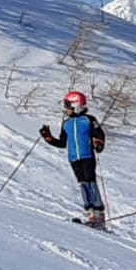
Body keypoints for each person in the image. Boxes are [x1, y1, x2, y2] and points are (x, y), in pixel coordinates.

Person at [40, 90, 106, 226]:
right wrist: (48, 137)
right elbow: (62, 143)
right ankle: (90, 214)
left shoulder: (89, 119)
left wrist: (98, 142)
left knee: (90, 182)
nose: (66, 109)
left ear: (77, 106)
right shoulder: (66, 123)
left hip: (87, 156)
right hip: (73, 158)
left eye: (68, 106)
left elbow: (99, 134)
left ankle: (99, 216)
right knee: (82, 183)